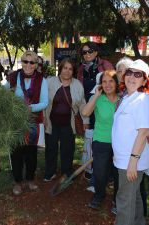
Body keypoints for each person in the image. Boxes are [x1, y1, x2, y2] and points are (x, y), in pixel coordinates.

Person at [112, 59, 149, 225]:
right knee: (133, 197)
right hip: (125, 159)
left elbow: (143, 132)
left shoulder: (142, 100)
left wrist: (133, 161)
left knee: (124, 201)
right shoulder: (128, 98)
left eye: (138, 75)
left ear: (144, 81)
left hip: (132, 160)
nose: (132, 77)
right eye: (129, 72)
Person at [7, 50, 48, 195]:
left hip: (32, 120)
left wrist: (29, 108)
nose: (28, 65)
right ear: (21, 62)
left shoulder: (42, 79)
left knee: (31, 152)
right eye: (25, 61)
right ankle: (17, 182)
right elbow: (4, 94)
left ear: (36, 64)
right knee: (16, 152)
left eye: (32, 62)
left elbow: (45, 102)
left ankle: (30, 179)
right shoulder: (13, 77)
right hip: (15, 120)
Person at [44, 58, 88, 181]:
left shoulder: (77, 84)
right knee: (51, 149)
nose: (67, 71)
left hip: (68, 124)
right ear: (60, 68)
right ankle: (50, 172)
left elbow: (82, 104)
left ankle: (66, 172)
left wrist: (86, 121)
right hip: (51, 123)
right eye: (65, 68)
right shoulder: (49, 82)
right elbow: (43, 100)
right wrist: (43, 117)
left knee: (67, 149)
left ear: (73, 71)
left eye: (70, 69)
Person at [77, 41, 114, 189]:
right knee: (92, 141)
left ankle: (109, 175)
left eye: (90, 51)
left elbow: (113, 85)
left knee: (106, 141)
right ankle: (93, 171)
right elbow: (81, 94)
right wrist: (85, 117)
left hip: (104, 109)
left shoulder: (105, 65)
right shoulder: (81, 69)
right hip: (89, 108)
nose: (87, 54)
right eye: (84, 52)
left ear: (96, 52)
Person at [81, 70, 119, 210]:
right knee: (100, 172)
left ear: (116, 83)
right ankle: (99, 195)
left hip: (120, 143)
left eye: (111, 81)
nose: (108, 84)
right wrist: (96, 95)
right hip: (101, 140)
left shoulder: (123, 99)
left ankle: (117, 199)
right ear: (100, 84)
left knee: (118, 174)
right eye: (104, 82)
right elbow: (85, 113)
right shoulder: (98, 98)